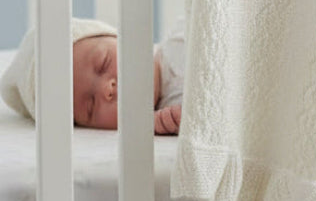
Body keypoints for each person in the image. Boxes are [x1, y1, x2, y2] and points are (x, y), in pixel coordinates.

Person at [0, 17, 184, 135]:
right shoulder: (167, 118)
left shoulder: (180, 36)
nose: (107, 89)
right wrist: (168, 124)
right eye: (91, 106)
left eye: (104, 62)